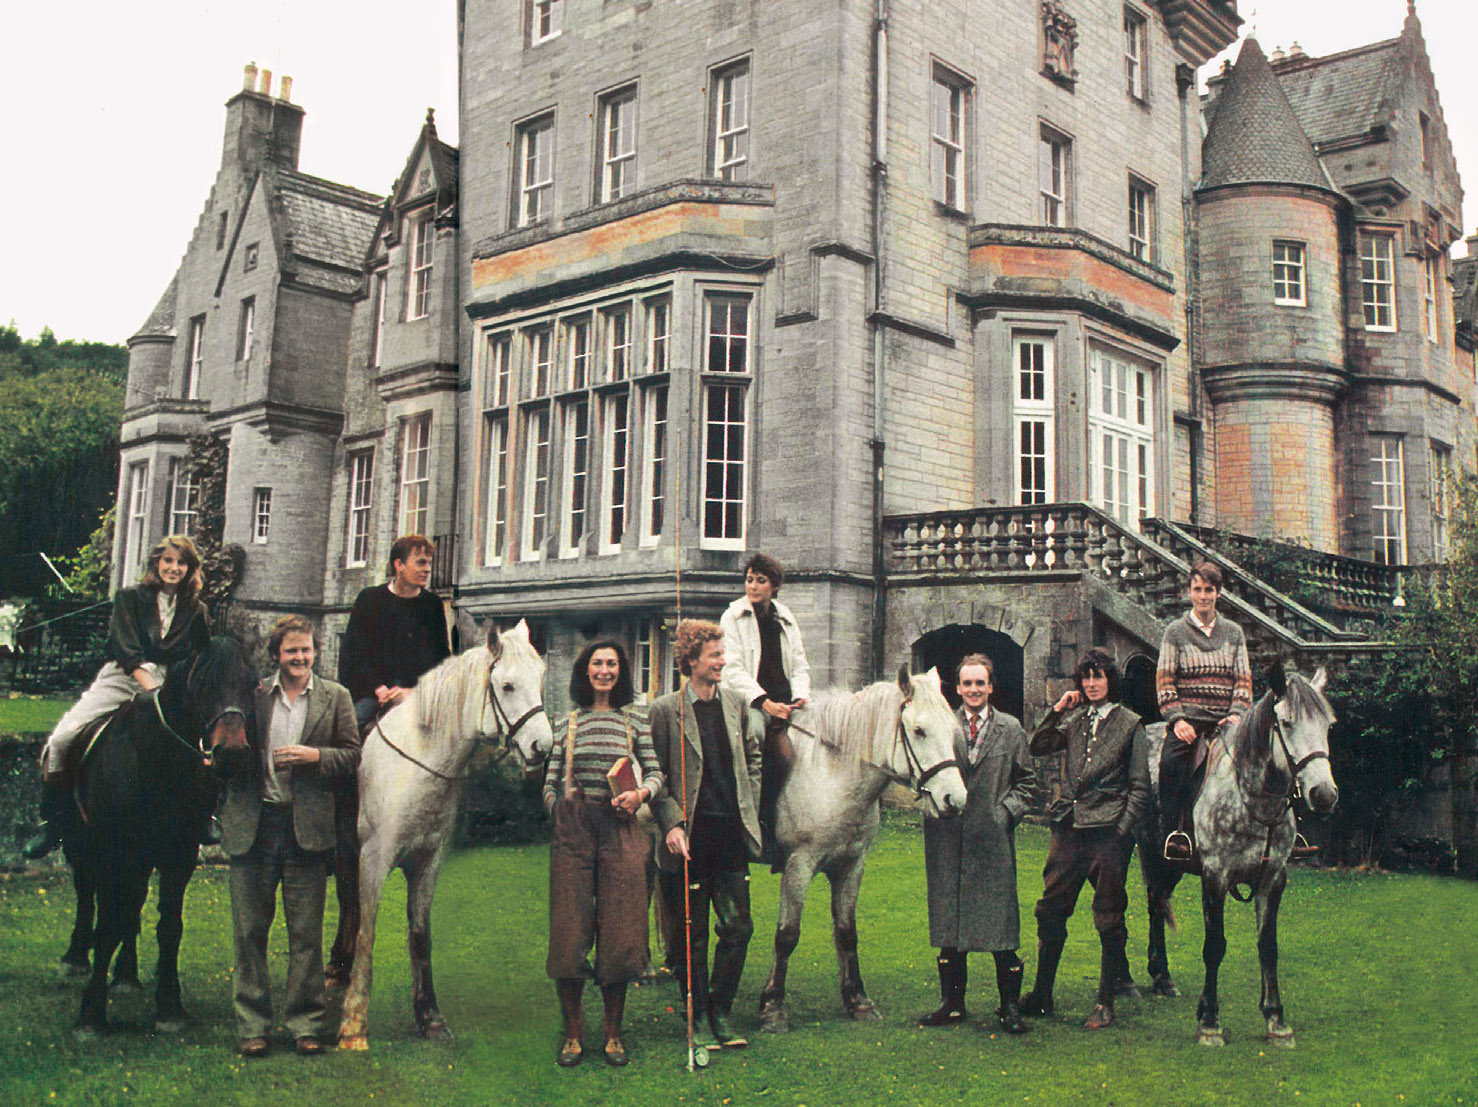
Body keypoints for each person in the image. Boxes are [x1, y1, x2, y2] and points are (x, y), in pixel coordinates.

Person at [216, 616, 359, 1057]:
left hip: (307, 830)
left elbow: (354, 755)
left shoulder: (336, 697)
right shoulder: (254, 696)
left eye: (307, 650)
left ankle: (304, 1024)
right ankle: (252, 1026)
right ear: (276, 655)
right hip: (254, 826)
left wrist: (314, 755)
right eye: (291, 650)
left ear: (316, 652)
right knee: (250, 932)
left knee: (306, 935)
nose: (300, 658)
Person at [24, 535, 210, 859]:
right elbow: (126, 648)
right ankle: (52, 822)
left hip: (172, 685)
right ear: (156, 563)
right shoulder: (128, 598)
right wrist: (150, 686)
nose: (174, 568)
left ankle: (206, 817)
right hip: (123, 678)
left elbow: (201, 654)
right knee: (61, 739)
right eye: (168, 561)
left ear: (190, 568)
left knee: (205, 745)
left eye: (182, 563)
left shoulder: (196, 609)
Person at [328, 533, 451, 982]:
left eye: (428, 565)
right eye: (419, 563)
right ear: (397, 565)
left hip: (416, 700)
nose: (425, 570)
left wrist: (414, 692)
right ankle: (342, 820)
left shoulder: (433, 607)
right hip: (373, 696)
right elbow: (353, 659)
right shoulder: (368, 602)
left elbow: (443, 665)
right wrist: (379, 689)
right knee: (347, 741)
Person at [543, 639, 663, 1069]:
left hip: (621, 831)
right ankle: (573, 1036)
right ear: (585, 670)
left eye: (612, 664)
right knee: (569, 933)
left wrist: (639, 795)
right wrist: (558, 808)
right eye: (597, 663)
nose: (605, 671)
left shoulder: (634, 720)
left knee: (622, 931)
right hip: (575, 833)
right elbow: (550, 781)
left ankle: (613, 1036)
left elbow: (654, 771)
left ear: (621, 672)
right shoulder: (566, 722)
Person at [651, 619, 763, 1053]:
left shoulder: (736, 704)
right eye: (715, 655)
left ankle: (720, 1009)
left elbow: (752, 756)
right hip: (689, 840)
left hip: (731, 834)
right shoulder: (664, 710)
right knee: (690, 934)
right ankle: (696, 1018)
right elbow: (654, 774)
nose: (723, 662)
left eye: (722, 653)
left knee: (738, 927)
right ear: (691, 661)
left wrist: (748, 798)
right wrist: (672, 823)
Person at [1023, 648, 1150, 1030]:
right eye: (1086, 677)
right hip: (1069, 829)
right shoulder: (1075, 720)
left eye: (1099, 676)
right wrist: (1059, 708)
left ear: (1111, 679)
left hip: (1109, 832)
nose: (1092, 684)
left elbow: (1140, 787)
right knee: (1051, 908)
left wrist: (1121, 831)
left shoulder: (1131, 724)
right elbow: (1037, 745)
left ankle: (1105, 1002)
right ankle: (1042, 994)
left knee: (1109, 915)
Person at [920, 653, 1035, 1034]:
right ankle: (951, 1004)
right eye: (967, 684)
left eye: (980, 683)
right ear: (957, 688)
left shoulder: (1011, 729)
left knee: (1001, 930)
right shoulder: (942, 726)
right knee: (950, 931)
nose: (973, 690)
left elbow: (1028, 784)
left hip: (992, 841)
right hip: (948, 841)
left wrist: (1004, 814)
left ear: (990, 686)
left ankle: (1009, 1007)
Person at [1155, 562, 1252, 863]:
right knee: (1171, 765)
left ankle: (1275, 836)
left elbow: (1244, 682)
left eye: (1209, 590)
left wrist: (1236, 714)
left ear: (1218, 593)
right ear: (1189, 593)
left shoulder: (1234, 633)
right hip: (1189, 721)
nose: (1203, 596)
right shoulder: (1175, 632)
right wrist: (1177, 719)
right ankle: (1174, 834)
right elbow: (1164, 681)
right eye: (1197, 589)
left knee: (1264, 762)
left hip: (1227, 720)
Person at [719, 553, 810, 867]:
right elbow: (732, 670)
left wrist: (800, 696)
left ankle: (802, 828)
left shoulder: (785, 618)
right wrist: (763, 701)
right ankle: (757, 826)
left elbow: (799, 665)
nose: (753, 586)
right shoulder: (732, 616)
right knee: (762, 742)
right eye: (749, 579)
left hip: (786, 704)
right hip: (751, 704)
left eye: (760, 580)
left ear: (774, 586)